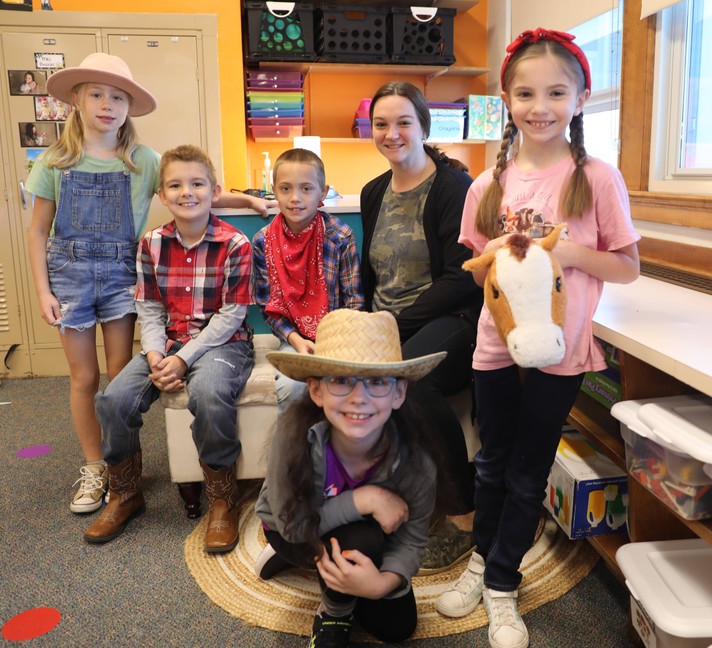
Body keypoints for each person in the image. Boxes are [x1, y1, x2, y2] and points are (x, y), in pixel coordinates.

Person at [435, 29, 640, 648]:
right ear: (505, 99)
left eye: (556, 92)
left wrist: (572, 251)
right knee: (492, 460)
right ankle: (480, 560)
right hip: (496, 347)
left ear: (580, 99)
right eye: (525, 93)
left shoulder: (595, 178)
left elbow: (627, 266)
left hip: (563, 347)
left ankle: (502, 584)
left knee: (529, 470)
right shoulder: (486, 186)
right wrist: (498, 249)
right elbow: (474, 267)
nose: (540, 106)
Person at [26, 52, 269, 517]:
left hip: (122, 273)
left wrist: (246, 200)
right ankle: (99, 468)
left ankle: (134, 474)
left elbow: (192, 186)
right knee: (85, 378)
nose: (106, 104)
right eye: (95, 94)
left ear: (128, 106)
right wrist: (43, 290)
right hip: (70, 274)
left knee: (120, 373)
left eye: (117, 96)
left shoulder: (145, 161)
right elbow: (38, 230)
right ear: (76, 100)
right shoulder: (54, 161)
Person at [83, 144, 255, 552]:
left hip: (223, 344)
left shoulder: (235, 244)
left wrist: (182, 358)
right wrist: (158, 354)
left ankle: (221, 500)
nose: (187, 192)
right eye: (175, 185)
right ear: (162, 194)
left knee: (211, 395)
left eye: (197, 183)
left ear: (214, 190)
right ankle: (125, 493)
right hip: (169, 344)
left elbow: (231, 316)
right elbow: (150, 308)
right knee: (113, 399)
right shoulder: (152, 244)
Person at [255, 308, 446, 647]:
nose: (359, 398)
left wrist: (381, 583)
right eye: (342, 380)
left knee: (397, 628)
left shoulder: (416, 458)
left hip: (352, 529)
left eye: (376, 381)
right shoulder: (292, 437)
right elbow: (292, 524)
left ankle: (340, 568)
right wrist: (364, 499)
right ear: (316, 390)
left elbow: (414, 539)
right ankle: (333, 612)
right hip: (293, 530)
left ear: (399, 393)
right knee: (360, 541)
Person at [361, 81, 483, 568]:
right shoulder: (375, 191)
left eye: (403, 122)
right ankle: (380, 497)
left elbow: (461, 279)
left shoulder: (454, 188)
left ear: (423, 127)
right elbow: (375, 273)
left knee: (414, 377)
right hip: (388, 321)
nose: (392, 133)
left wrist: (394, 324)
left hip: (449, 317)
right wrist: (369, 323)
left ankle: (464, 511)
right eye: (381, 124)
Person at [252, 148, 363, 413]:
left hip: (339, 339)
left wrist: (333, 344)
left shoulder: (340, 237)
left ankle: (336, 451)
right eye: (286, 188)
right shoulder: (261, 241)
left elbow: (355, 303)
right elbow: (268, 308)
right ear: (274, 192)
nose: (295, 198)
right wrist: (295, 340)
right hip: (293, 340)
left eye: (306, 188)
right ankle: (295, 453)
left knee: (344, 385)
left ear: (322, 193)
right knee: (292, 388)